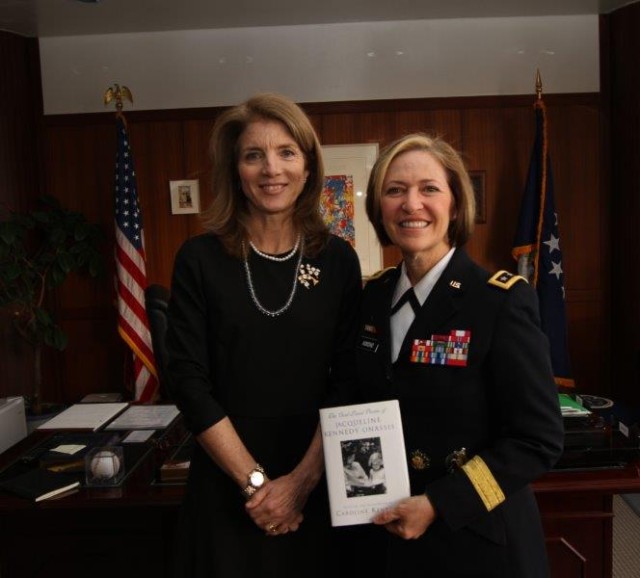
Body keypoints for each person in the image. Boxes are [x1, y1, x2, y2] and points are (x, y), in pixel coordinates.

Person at [166, 93, 362, 578]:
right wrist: (256, 484)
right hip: (226, 479)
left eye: (286, 152)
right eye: (254, 155)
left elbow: (351, 378)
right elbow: (188, 380)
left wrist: (298, 484)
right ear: (236, 170)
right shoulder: (199, 258)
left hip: (314, 476)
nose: (271, 169)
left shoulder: (338, 260)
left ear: (308, 164)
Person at [355, 133, 564, 577]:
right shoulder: (370, 298)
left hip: (476, 538)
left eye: (429, 188)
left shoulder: (499, 301)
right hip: (386, 533)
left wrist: (439, 504)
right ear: (379, 207)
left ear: (456, 204)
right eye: (395, 190)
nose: (412, 204)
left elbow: (538, 439)